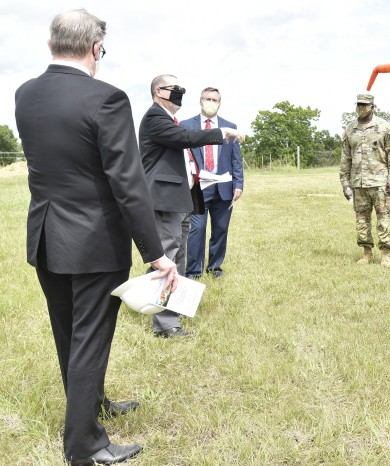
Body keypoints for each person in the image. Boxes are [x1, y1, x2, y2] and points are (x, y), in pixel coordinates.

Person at [14, 9, 178, 465]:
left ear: (51, 45)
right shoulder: (106, 98)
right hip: (92, 240)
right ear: (96, 48)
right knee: (89, 340)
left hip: (46, 235)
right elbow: (127, 183)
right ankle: (84, 445)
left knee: (68, 336)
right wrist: (156, 253)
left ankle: (92, 406)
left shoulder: (25, 94)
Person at [139, 75, 244, 338]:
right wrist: (220, 132)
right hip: (164, 200)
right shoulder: (155, 117)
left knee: (176, 256)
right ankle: (166, 325)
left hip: (179, 199)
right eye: (176, 89)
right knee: (168, 259)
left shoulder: (167, 118)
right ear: (159, 91)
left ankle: (168, 304)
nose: (180, 93)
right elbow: (183, 137)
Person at [182, 87, 244, 279]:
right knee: (196, 230)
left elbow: (236, 159)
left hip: (224, 188)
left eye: (215, 99)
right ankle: (193, 270)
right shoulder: (186, 125)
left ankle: (215, 267)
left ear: (219, 103)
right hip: (198, 188)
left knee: (220, 229)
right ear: (200, 101)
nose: (211, 102)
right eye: (207, 98)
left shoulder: (230, 126)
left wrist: (239, 184)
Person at [339, 92, 390, 267]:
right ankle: (367, 253)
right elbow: (345, 159)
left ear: (372, 107)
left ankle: (385, 254)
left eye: (364, 105)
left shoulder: (385, 129)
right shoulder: (350, 130)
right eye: (358, 104)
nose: (361, 108)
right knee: (361, 220)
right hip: (359, 183)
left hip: (380, 182)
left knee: (384, 219)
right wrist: (345, 183)